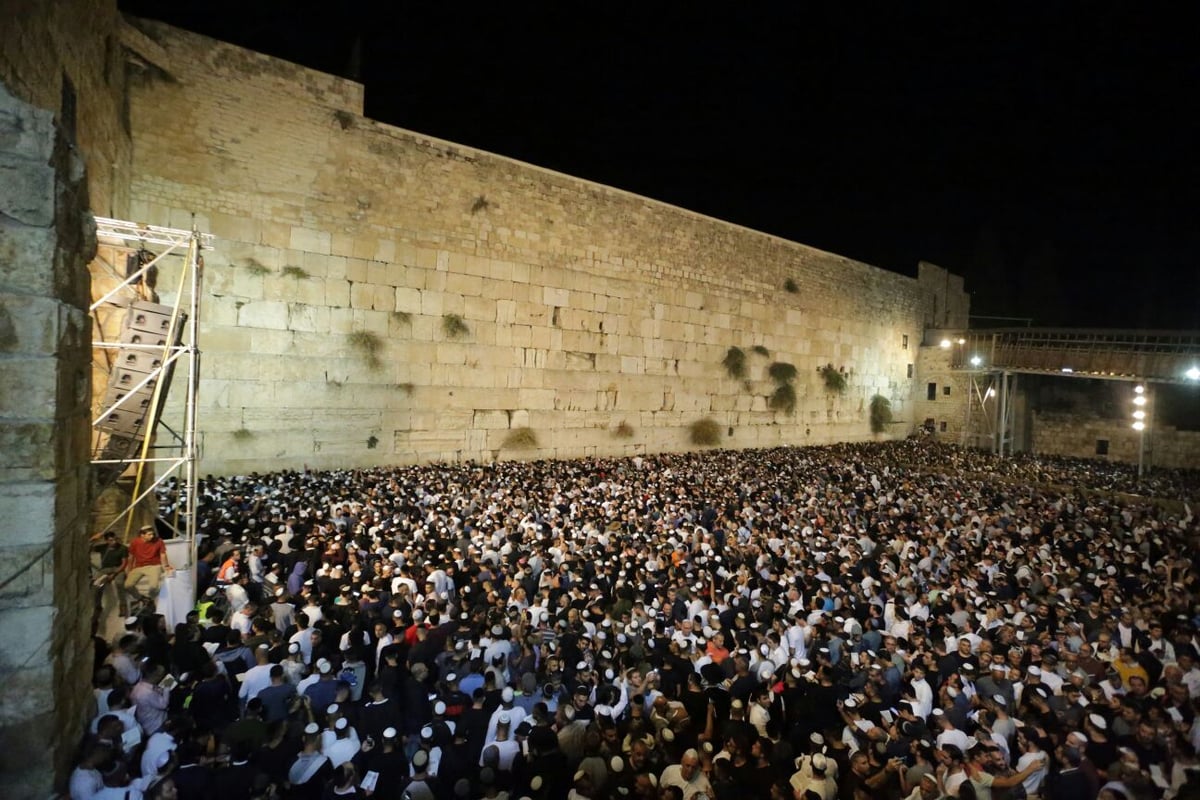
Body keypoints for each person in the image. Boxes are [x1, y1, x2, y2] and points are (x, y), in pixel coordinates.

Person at [124, 525, 171, 612]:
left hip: (154, 565)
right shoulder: (135, 542)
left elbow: (163, 555)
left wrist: (166, 566)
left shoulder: (159, 541)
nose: (152, 536)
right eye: (149, 535)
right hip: (139, 566)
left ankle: (150, 599)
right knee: (127, 585)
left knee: (153, 586)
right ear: (142, 535)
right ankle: (143, 598)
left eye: (152, 534)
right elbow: (131, 557)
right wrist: (129, 569)